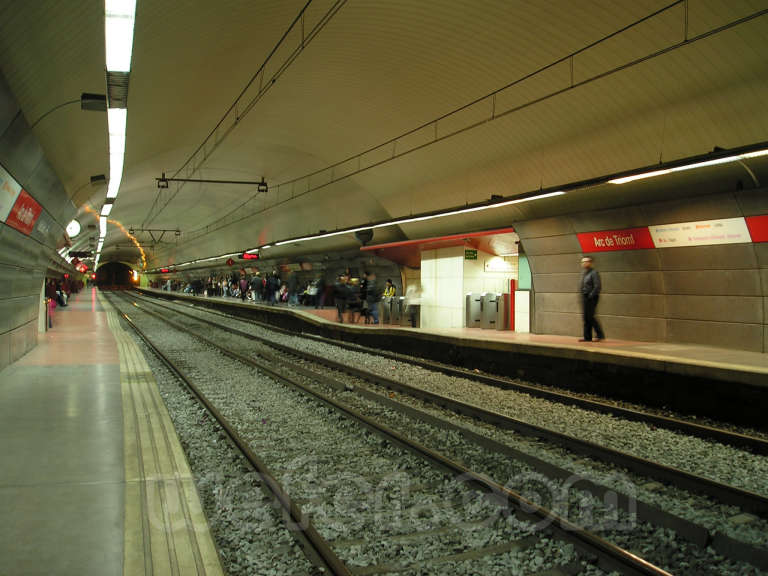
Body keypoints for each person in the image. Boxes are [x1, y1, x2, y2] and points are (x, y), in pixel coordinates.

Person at [579, 257, 605, 342]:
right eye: (582, 262)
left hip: (591, 297)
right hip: (585, 297)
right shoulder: (585, 273)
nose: (583, 263)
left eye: (585, 262)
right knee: (586, 317)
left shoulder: (594, 273)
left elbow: (597, 286)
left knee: (590, 316)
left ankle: (600, 334)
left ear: (590, 263)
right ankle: (587, 337)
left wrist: (591, 295)